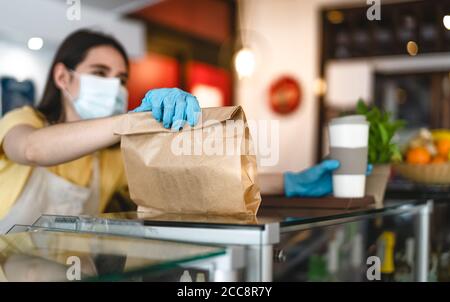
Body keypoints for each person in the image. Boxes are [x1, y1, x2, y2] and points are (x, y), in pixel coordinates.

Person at [0, 29, 341, 233]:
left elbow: (203, 175)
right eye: (100, 73)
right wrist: (134, 122)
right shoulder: (22, 119)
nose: (114, 87)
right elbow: (31, 149)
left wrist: (293, 181)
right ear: (63, 77)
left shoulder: (111, 159)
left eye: (121, 79)